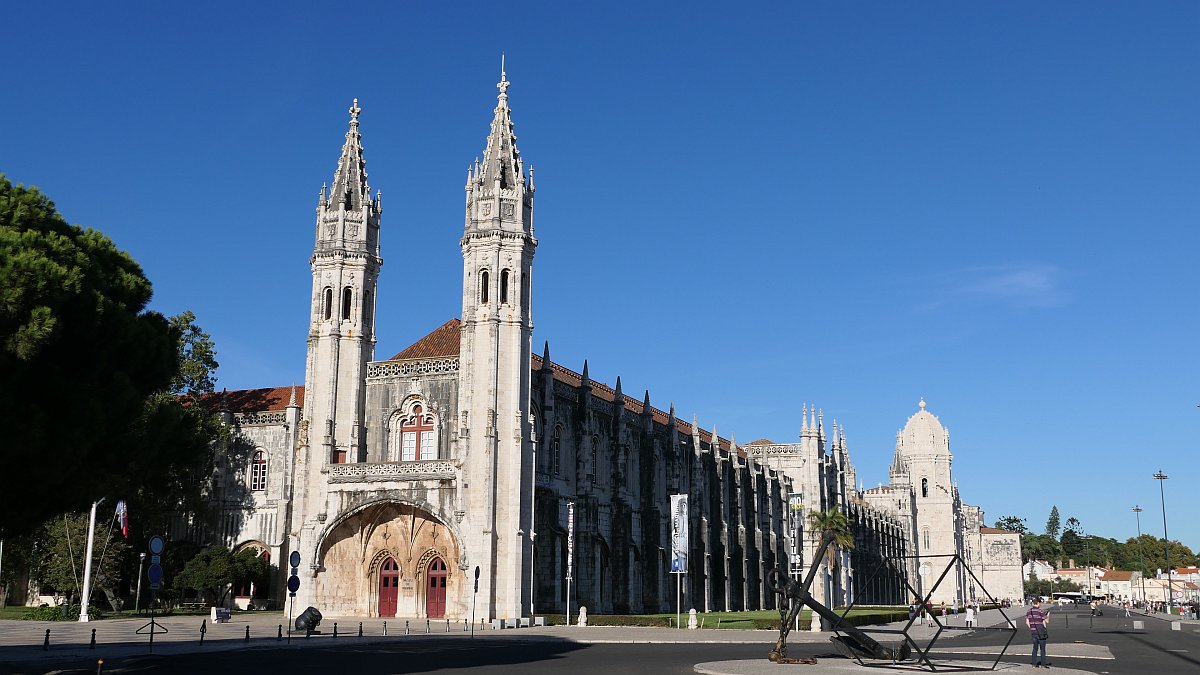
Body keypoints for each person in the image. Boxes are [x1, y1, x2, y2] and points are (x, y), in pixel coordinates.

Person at [1026, 598, 1050, 668]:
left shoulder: (1029, 611)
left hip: (1033, 632)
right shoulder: (1040, 611)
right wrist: (1048, 615)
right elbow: (1047, 621)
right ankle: (1043, 664)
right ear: (1038, 603)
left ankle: (1034, 664)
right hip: (1041, 632)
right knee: (1042, 649)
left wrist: (1032, 628)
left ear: (1033, 603)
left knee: (1035, 649)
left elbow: (1027, 622)